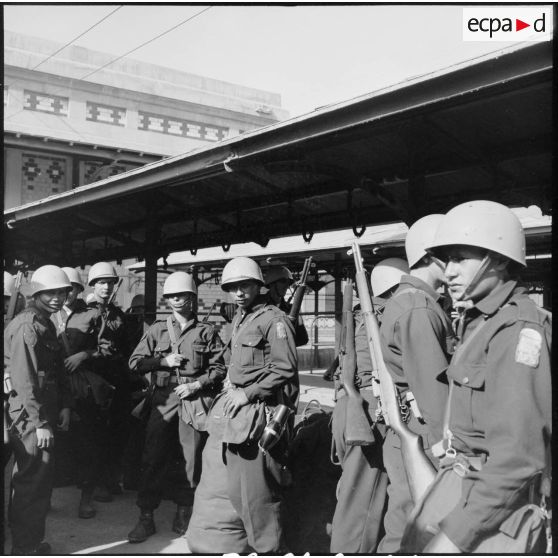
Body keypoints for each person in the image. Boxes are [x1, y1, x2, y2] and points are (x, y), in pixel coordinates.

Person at [405, 200, 551, 553]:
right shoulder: (482, 322)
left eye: (460, 258)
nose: (449, 271)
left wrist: (455, 537)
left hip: (490, 510)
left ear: (499, 260)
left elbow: (517, 459)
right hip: (462, 487)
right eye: (446, 260)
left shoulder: (517, 329)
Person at [187, 257, 298, 554]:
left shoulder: (274, 319)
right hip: (237, 414)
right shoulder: (241, 317)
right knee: (237, 492)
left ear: (258, 285)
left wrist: (247, 393)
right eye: (233, 287)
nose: (239, 292)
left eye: (245, 285)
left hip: (257, 414)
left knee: (256, 496)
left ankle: (270, 550)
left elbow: (285, 369)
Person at [377, 215, 456, 553]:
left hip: (418, 429)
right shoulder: (417, 307)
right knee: (415, 526)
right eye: (454, 255)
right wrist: (449, 450)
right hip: (427, 434)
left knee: (411, 521)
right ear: (433, 257)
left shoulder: (416, 302)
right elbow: (433, 388)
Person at [127, 272, 226, 543]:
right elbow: (134, 362)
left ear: (192, 298)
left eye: (180, 295)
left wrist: (197, 385)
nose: (175, 300)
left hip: (192, 401)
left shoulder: (206, 331)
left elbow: (219, 368)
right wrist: (163, 362)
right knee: (153, 457)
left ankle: (184, 511)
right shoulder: (158, 329)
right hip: (162, 400)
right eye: (170, 296)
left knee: (190, 459)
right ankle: (146, 517)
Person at [330, 257, 409, 553]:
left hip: (353, 409)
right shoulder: (385, 314)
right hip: (370, 410)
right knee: (363, 500)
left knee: (352, 494)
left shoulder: (362, 315)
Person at [4, 265, 73, 555]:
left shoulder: (45, 322)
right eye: (50, 293)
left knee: (39, 482)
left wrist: (65, 406)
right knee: (33, 482)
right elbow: (24, 379)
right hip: (30, 416)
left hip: (43, 410)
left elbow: (55, 373)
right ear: (36, 293)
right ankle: (24, 548)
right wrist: (40, 422)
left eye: (62, 292)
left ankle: (30, 542)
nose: (57, 298)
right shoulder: (27, 325)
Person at [52, 266, 115, 519]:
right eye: (62, 289)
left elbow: (108, 349)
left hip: (81, 389)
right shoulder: (45, 316)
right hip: (53, 388)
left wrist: (85, 354)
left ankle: (86, 499)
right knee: (51, 444)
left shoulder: (91, 315)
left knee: (88, 442)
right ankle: (43, 498)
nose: (66, 294)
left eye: (72, 289)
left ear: (79, 290)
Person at [86, 262, 131, 501]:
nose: (106, 287)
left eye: (110, 282)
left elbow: (127, 347)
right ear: (93, 285)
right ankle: (96, 484)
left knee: (116, 431)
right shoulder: (85, 312)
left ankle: (110, 478)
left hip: (117, 379)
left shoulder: (118, 315)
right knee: (97, 435)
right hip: (95, 380)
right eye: (101, 282)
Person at [264, 265, 309, 346]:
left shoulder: (290, 309)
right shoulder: (260, 308)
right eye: (283, 281)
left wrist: (299, 321)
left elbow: (303, 340)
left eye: (288, 282)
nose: (287, 286)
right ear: (272, 284)